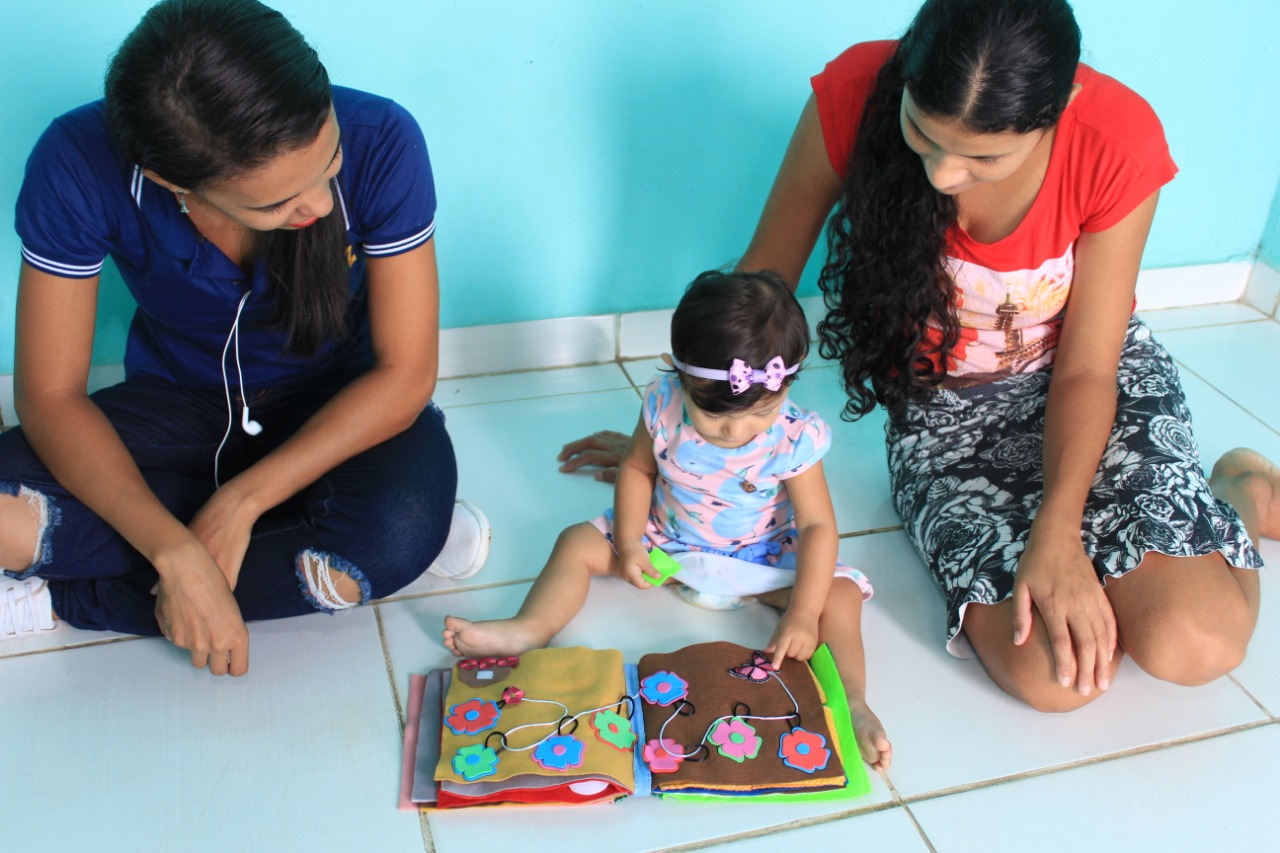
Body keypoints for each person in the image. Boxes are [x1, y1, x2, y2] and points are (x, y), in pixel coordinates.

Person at [561, 0, 1278, 711]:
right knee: (1051, 679)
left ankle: (1239, 489)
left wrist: (1057, 535)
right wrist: (666, 435)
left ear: (1061, 106)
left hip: (1090, 387)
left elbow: (1088, 369)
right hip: (944, 417)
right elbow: (761, 289)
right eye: (923, 135)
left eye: (981, 157)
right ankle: (1132, 547)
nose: (940, 174)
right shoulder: (853, 92)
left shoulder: (1115, 138)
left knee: (1192, 642)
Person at [0, 0, 490, 673]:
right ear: (175, 183)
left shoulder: (384, 138)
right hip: (179, 403)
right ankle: (307, 545)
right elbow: (51, 396)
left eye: (329, 163)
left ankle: (70, 598)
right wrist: (172, 548)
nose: (318, 206)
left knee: (396, 529)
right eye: (275, 204)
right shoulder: (76, 164)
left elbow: (404, 375)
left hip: (337, 406)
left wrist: (242, 501)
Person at [446, 270, 892, 769]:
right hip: (669, 547)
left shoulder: (795, 437)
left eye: (759, 413)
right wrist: (632, 544)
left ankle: (853, 700)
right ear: (679, 374)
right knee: (576, 542)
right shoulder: (662, 403)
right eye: (717, 417)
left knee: (841, 595)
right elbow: (637, 467)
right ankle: (529, 627)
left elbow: (816, 527)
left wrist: (804, 613)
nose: (736, 431)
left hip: (760, 559)